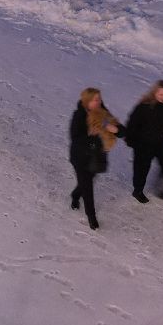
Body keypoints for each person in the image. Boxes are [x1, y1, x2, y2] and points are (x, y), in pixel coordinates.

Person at [68, 87, 119, 230]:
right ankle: (92, 217)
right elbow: (75, 139)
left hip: (96, 157)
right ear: (87, 101)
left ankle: (75, 194)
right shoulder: (78, 115)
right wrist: (91, 136)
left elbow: (118, 129)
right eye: (95, 100)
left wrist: (115, 129)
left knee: (87, 182)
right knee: (88, 187)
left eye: (100, 99)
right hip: (80, 158)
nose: (99, 102)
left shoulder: (102, 111)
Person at [125, 80, 163, 203]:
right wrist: (131, 141)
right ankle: (137, 191)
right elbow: (132, 124)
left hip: (159, 140)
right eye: (161, 95)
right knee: (142, 169)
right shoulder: (143, 106)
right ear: (154, 93)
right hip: (143, 143)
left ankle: (159, 188)